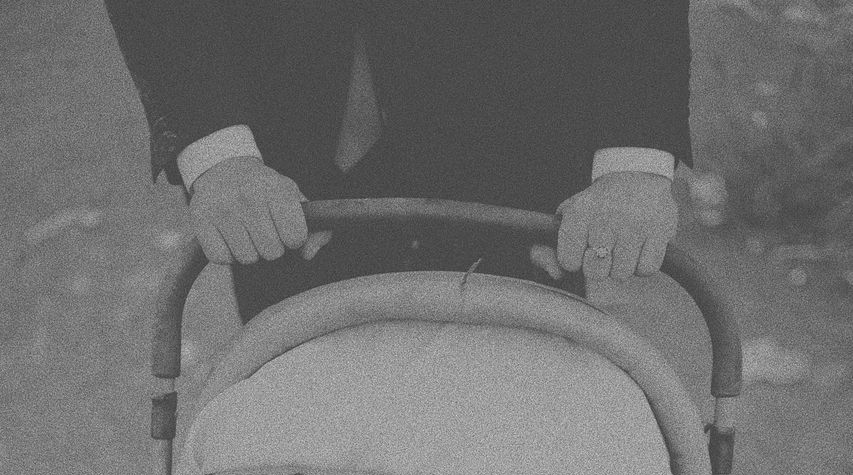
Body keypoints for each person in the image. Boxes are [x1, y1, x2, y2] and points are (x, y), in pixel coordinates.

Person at [104, 0, 691, 316]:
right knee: (300, 419)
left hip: (515, 105)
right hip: (287, 133)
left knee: (525, 422)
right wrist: (217, 152)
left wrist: (634, 159)